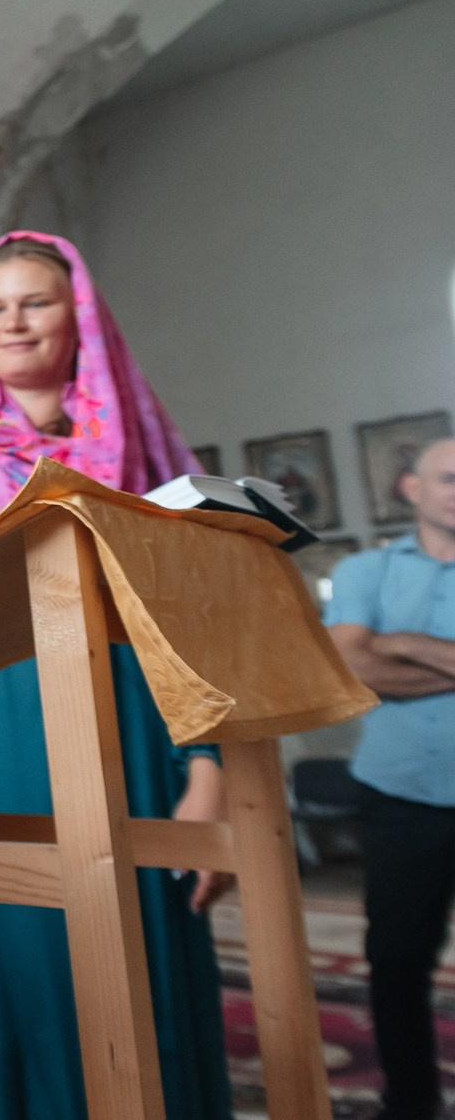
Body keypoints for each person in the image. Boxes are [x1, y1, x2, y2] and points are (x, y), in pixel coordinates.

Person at [0, 231, 231, 1120]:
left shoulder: (142, 457)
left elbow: (192, 619)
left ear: (81, 318)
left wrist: (209, 766)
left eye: (36, 302)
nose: (14, 322)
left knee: (135, 976)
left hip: (128, 743)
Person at [325, 436, 455, 1120]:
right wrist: (379, 652)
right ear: (412, 488)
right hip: (399, 793)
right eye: (449, 477)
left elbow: (376, 655)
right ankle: (411, 1102)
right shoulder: (364, 571)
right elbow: (350, 666)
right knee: (398, 959)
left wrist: (398, 642)